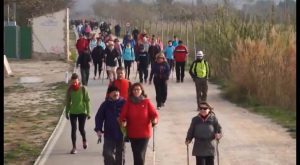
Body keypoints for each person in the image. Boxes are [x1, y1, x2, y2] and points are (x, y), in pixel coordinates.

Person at [118, 83, 159, 165]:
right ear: (132, 91)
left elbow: (154, 114)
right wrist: (124, 121)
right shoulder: (128, 102)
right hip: (133, 133)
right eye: (134, 90)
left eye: (138, 89)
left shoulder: (146, 102)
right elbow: (123, 115)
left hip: (144, 134)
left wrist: (155, 120)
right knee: (136, 154)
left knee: (140, 154)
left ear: (141, 91)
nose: (136, 91)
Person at [94, 86, 126, 165]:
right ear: (109, 94)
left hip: (121, 133)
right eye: (113, 92)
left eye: (117, 91)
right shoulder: (105, 104)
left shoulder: (124, 102)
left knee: (120, 155)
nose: (116, 93)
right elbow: (99, 117)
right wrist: (98, 129)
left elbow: (130, 115)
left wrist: (126, 121)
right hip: (109, 133)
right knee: (107, 153)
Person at [65, 73, 91, 154]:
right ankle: (74, 147)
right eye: (73, 82)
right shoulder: (69, 90)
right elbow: (68, 102)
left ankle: (84, 139)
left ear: (78, 81)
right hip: (73, 112)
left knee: (81, 129)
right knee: (73, 129)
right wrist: (67, 112)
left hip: (82, 112)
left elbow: (87, 101)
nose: (74, 83)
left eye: (75, 81)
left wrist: (89, 112)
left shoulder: (83, 89)